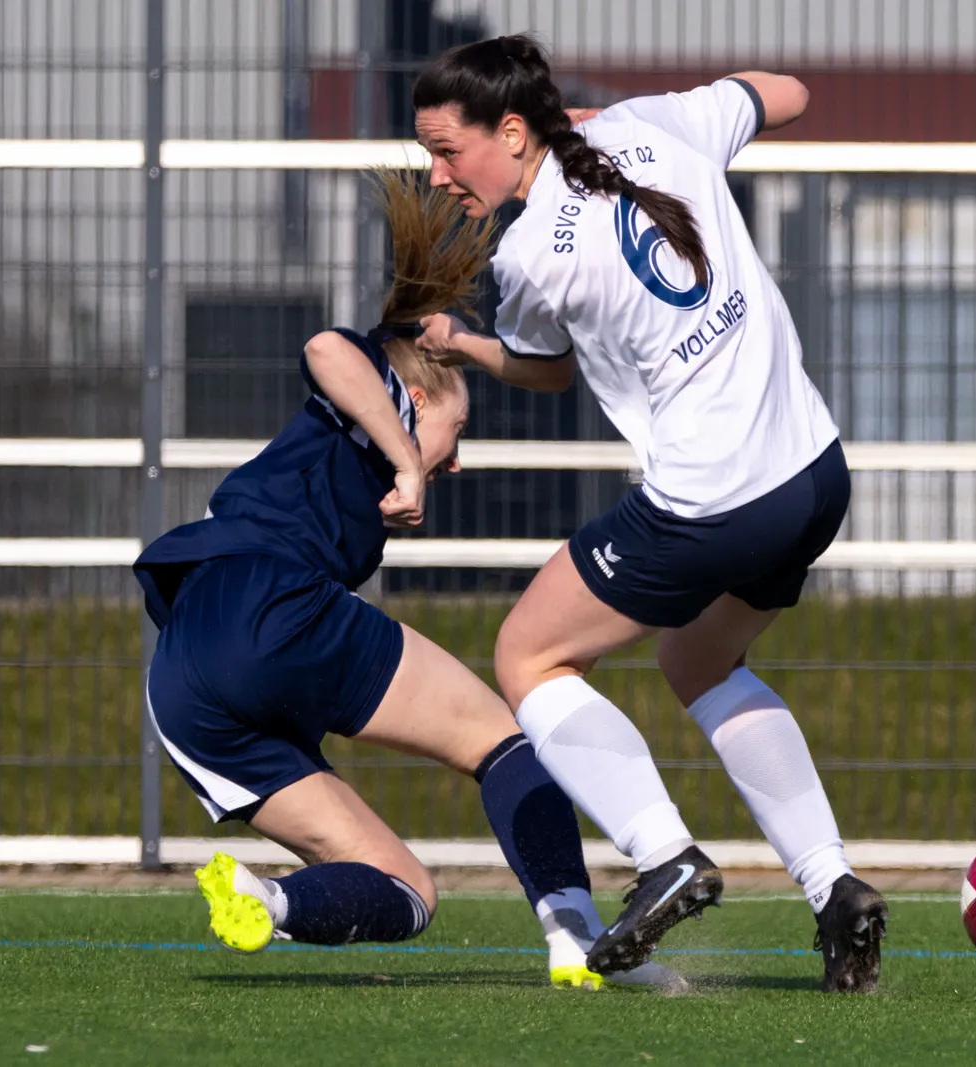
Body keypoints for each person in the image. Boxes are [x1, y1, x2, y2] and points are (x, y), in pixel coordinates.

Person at [410, 36, 889, 992]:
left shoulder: (528, 255)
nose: (436, 175)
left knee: (528, 656)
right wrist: (625, 117)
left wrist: (462, 343)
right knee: (698, 659)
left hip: (714, 499)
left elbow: (546, 371)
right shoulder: (658, 124)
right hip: (812, 472)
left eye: (447, 150)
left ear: (514, 132)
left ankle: (663, 856)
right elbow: (790, 91)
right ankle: (835, 887)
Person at [133, 169, 684, 994]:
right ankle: (577, 937)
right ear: (418, 396)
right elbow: (326, 351)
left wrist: (403, 463)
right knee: (506, 740)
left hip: (182, 680)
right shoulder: (382, 393)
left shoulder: (334, 446)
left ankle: (270, 898)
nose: (454, 461)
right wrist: (405, 457)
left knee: (405, 889)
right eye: (455, 430)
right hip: (271, 603)